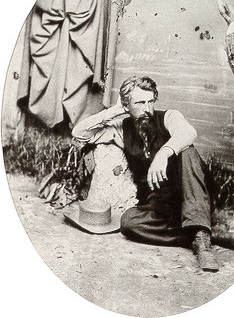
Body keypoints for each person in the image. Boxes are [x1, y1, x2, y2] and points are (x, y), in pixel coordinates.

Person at [72, 76, 219, 272]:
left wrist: (164, 154)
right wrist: (114, 111)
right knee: (128, 223)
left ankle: (201, 236)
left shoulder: (168, 117)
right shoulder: (121, 130)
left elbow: (188, 132)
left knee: (188, 152)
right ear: (126, 105)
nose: (147, 109)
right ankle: (197, 234)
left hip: (190, 194)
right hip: (159, 206)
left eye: (151, 101)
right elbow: (79, 133)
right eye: (140, 103)